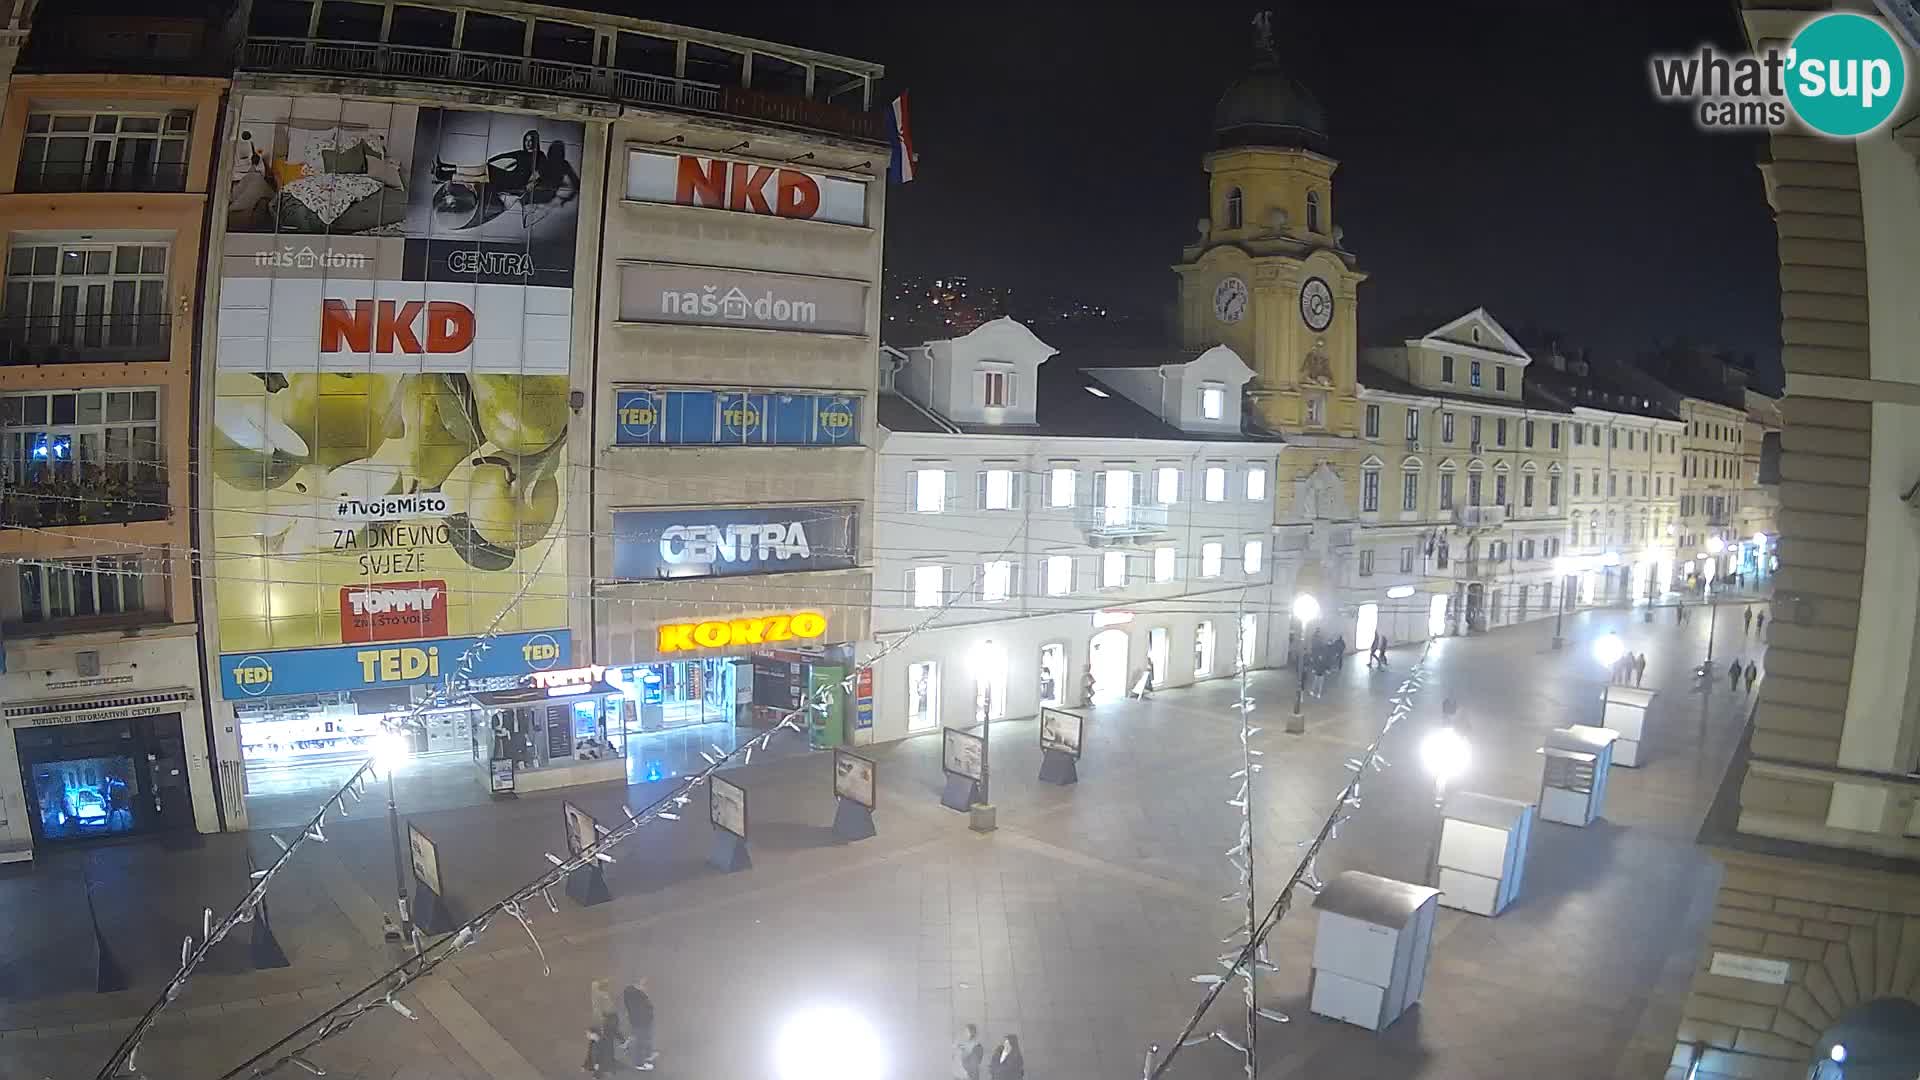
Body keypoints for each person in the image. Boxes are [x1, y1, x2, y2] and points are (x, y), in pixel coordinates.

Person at [583, 979, 619, 1075]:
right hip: (601, 1023)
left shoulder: (596, 994)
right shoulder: (601, 996)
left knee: (596, 1044)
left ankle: (592, 1065)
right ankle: (599, 1068)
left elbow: (595, 985)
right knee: (600, 1045)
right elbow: (606, 1009)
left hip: (599, 1023)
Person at [622, 979, 656, 1071]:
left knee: (643, 1038)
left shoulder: (630, 993)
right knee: (640, 1041)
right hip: (641, 1021)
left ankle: (647, 1056)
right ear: (638, 984)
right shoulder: (638, 995)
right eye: (643, 984)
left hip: (639, 1021)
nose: (645, 986)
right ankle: (640, 1063)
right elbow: (645, 1007)